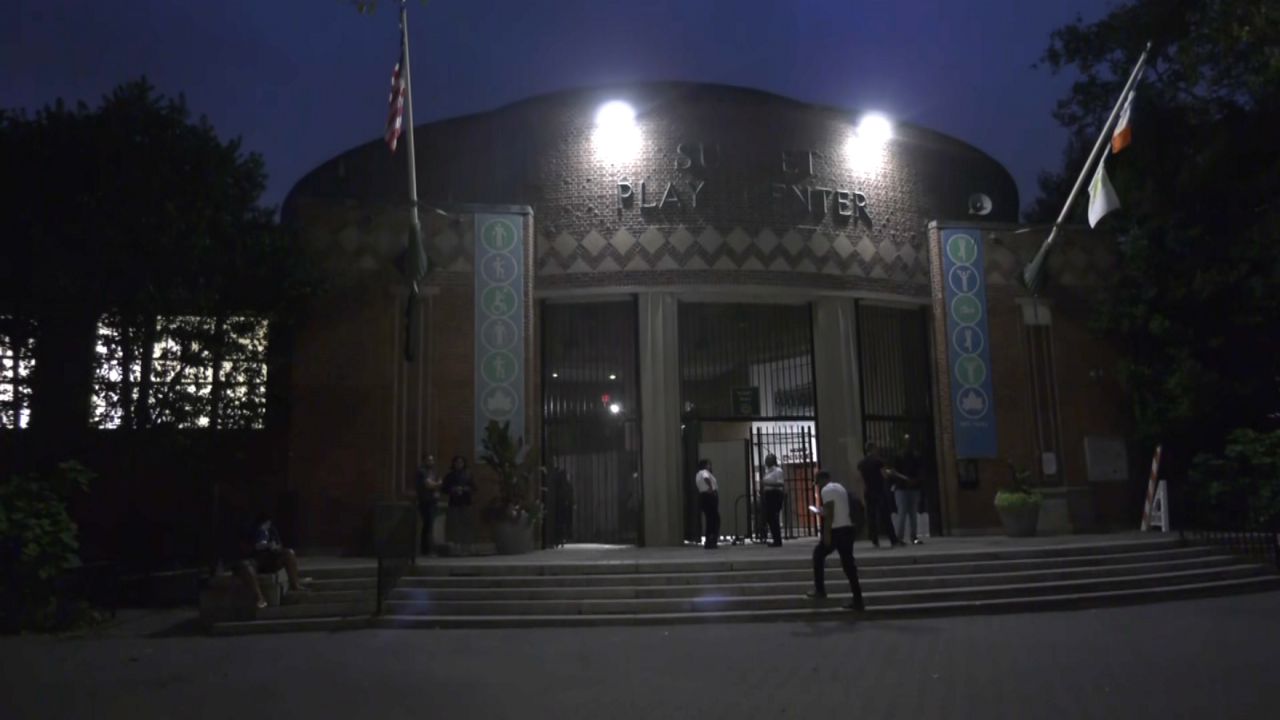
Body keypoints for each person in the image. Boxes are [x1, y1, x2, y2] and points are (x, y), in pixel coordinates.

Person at [805, 470, 866, 611]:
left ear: (822, 480)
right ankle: (858, 600)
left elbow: (830, 512)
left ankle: (820, 590)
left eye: (818, 483)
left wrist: (826, 534)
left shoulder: (826, 490)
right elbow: (837, 508)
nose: (818, 486)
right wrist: (822, 511)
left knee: (818, 555)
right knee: (849, 566)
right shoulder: (840, 487)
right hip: (848, 529)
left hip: (837, 531)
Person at [235, 513, 309, 609]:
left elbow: (279, 546)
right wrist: (256, 547)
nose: (267, 525)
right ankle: (259, 598)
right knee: (245, 566)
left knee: (289, 553)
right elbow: (244, 548)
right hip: (254, 560)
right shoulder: (249, 531)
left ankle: (295, 584)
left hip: (270, 559)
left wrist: (274, 547)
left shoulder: (271, 530)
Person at [858, 441, 901, 547]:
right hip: (879, 490)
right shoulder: (878, 461)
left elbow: (861, 479)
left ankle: (874, 539)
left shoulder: (861, 463)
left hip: (869, 491)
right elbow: (884, 475)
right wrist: (891, 473)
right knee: (885, 515)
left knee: (871, 515)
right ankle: (893, 539)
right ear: (873, 449)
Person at [890, 436, 924, 545]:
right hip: (903, 488)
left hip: (907, 488)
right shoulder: (901, 456)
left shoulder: (914, 456)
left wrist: (915, 480)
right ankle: (903, 537)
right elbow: (894, 471)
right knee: (905, 513)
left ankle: (911, 537)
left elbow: (920, 471)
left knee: (909, 513)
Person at [442, 455, 475, 555]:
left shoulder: (468, 474)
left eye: (461, 462)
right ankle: (456, 546)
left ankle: (467, 546)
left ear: (464, 464)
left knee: (466, 524)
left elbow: (474, 487)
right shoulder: (450, 476)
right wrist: (453, 489)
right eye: (457, 462)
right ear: (453, 464)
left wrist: (465, 489)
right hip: (454, 503)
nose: (459, 464)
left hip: (466, 502)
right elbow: (444, 488)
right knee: (454, 525)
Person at [413, 454, 442, 555]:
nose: (431, 462)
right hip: (425, 501)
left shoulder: (434, 472)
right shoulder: (421, 471)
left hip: (433, 501)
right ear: (424, 461)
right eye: (429, 460)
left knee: (430, 524)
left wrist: (435, 484)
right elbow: (428, 485)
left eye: (432, 460)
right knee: (427, 524)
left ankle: (428, 548)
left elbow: (440, 482)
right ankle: (426, 549)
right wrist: (436, 484)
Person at [761, 453, 786, 547]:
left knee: (773, 518)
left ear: (774, 460)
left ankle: (777, 540)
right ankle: (775, 539)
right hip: (768, 495)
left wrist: (766, 483)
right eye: (766, 459)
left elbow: (781, 483)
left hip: (775, 495)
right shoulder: (768, 471)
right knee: (770, 518)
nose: (766, 460)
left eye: (769, 459)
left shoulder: (778, 471)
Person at [695, 459, 720, 549]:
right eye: (709, 464)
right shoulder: (704, 472)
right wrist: (710, 488)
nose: (710, 466)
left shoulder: (698, 474)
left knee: (709, 519)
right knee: (714, 519)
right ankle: (712, 540)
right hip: (709, 496)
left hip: (703, 496)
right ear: (705, 465)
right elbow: (706, 478)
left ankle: (709, 540)